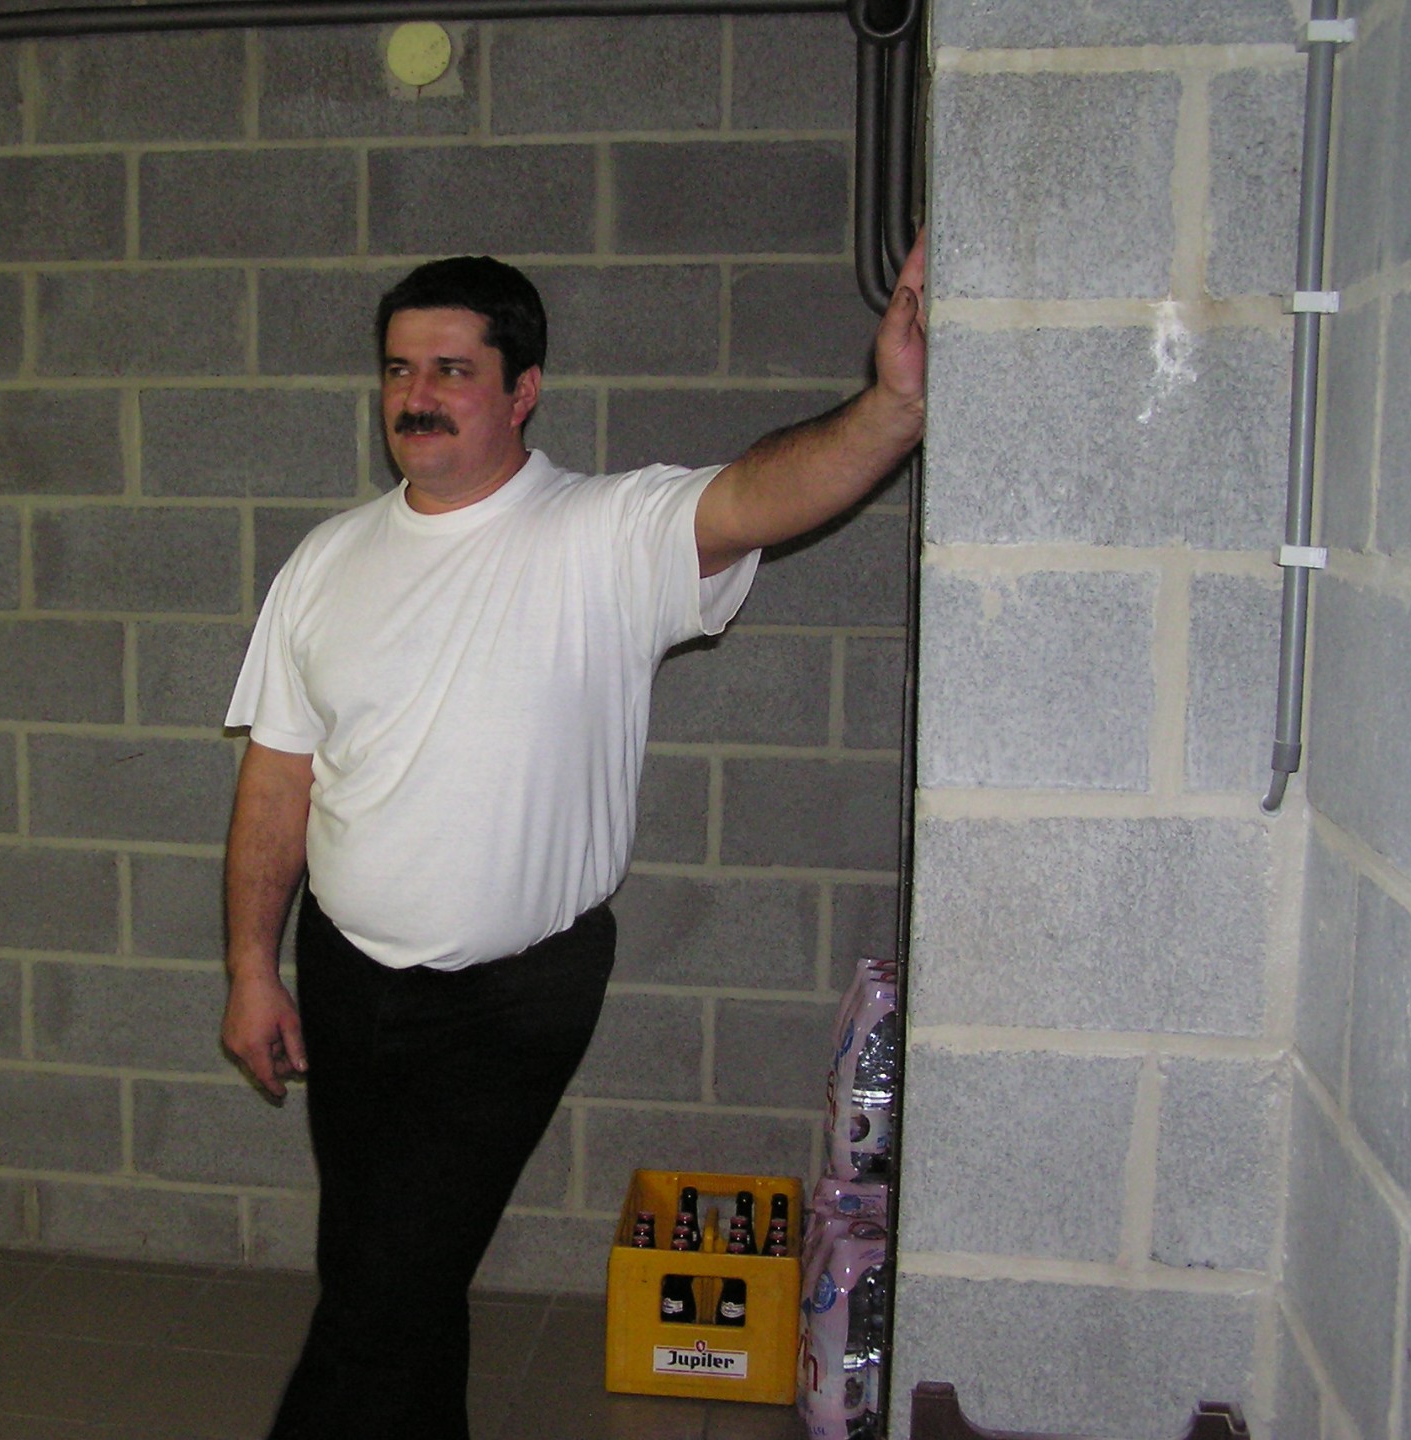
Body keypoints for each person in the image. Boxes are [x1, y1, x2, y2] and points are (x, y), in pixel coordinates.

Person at [221, 242, 926, 1439]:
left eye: (452, 369)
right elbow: (276, 780)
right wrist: (251, 965)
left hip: (512, 997)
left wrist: (893, 407)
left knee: (381, 1293)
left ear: (523, 390)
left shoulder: (602, 531)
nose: (416, 396)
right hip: (347, 975)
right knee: (385, 1268)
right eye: (397, 370)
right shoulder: (325, 561)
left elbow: (761, 493)